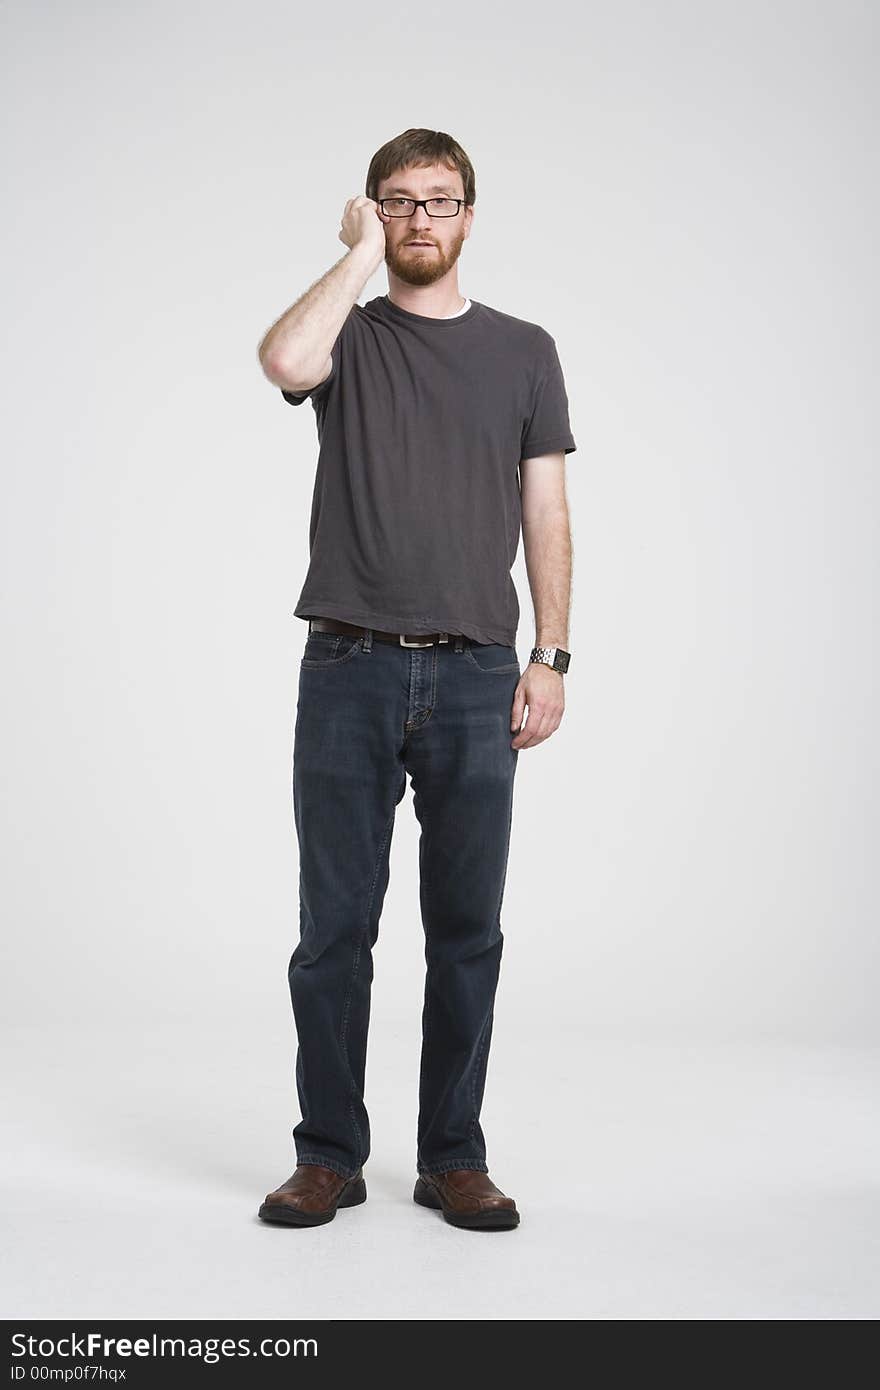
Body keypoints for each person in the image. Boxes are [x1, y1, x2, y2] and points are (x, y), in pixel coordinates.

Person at [256, 129, 576, 1232]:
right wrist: (351, 255)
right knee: (334, 930)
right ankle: (329, 1155)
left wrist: (551, 653)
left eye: (440, 202)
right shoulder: (347, 334)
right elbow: (284, 362)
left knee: (466, 930)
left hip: (480, 671)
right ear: (374, 214)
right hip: (346, 664)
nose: (421, 221)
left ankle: (453, 1156)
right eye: (399, 203)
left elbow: (546, 510)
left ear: (471, 215)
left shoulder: (524, 349)